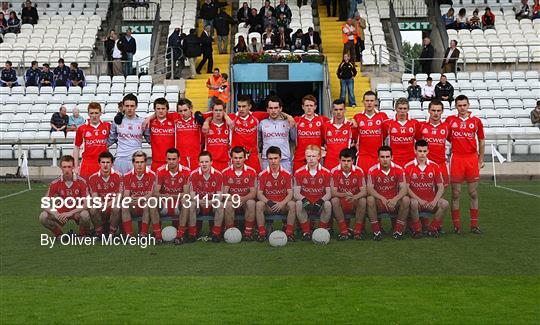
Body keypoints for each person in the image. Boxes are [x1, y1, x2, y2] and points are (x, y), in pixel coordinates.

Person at [446, 95, 485, 234]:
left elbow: (481, 141)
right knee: (456, 194)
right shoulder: (450, 120)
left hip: (471, 159)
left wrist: (480, 159)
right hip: (457, 159)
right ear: (456, 106)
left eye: (464, 105)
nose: (462, 108)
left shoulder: (476, 121)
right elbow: (446, 136)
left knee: (473, 193)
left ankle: (474, 225)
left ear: (468, 105)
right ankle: (456, 226)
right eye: (459, 105)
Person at [404, 140, 449, 238]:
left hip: (430, 201)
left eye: (424, 151)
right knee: (413, 203)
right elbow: (406, 188)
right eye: (420, 151)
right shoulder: (408, 167)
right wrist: (419, 200)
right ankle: (417, 230)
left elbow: (441, 187)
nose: (422, 154)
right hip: (416, 201)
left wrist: (434, 201)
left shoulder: (434, 166)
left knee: (445, 203)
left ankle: (432, 229)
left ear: (428, 151)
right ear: (415, 151)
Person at [38, 155, 90, 238]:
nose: (67, 170)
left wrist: (70, 213)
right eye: (64, 167)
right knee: (43, 216)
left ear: (73, 167)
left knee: (85, 215)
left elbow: (87, 204)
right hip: (62, 211)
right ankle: (59, 235)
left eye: (69, 167)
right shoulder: (55, 183)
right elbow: (44, 203)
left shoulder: (81, 182)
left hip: (77, 211)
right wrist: (55, 214)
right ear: (60, 168)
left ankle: (83, 235)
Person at [366, 146, 410, 240]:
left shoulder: (398, 169)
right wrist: (382, 198)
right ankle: (377, 232)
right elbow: (369, 188)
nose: (385, 160)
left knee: (406, 200)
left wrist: (395, 199)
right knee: (370, 199)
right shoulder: (372, 170)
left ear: (392, 157)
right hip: (379, 202)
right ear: (378, 158)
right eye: (382, 157)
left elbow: (404, 188)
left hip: (394, 202)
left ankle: (398, 231)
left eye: (387, 157)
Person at [256, 146, 296, 242]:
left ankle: (289, 233)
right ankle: (262, 234)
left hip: (282, 205)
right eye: (270, 159)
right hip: (269, 205)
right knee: (259, 204)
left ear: (280, 158)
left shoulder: (287, 174)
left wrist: (281, 203)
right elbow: (259, 194)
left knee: (292, 204)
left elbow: (290, 193)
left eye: (275, 158)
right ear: (267, 159)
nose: (273, 161)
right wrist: (269, 202)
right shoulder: (262, 175)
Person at [294, 145, 332, 241]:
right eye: (308, 156)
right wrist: (304, 200)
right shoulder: (299, 172)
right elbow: (296, 193)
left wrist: (320, 201)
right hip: (306, 205)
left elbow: (328, 193)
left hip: (319, 204)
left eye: (313, 156)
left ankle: (320, 232)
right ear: (305, 157)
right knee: (298, 203)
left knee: (328, 204)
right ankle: (306, 232)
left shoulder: (326, 172)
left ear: (319, 156)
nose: (311, 159)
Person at [155, 148, 192, 245]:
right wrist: (164, 196)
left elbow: (186, 193)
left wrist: (171, 196)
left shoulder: (186, 171)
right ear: (166, 159)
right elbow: (156, 192)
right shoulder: (160, 170)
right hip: (165, 203)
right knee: (152, 201)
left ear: (179, 159)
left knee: (186, 201)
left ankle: (180, 235)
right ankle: (158, 235)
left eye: (174, 159)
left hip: (178, 203)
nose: (171, 162)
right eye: (169, 159)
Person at [121, 151, 161, 241]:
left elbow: (151, 194)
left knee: (150, 203)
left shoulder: (152, 175)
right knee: (124, 204)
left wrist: (140, 198)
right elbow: (126, 194)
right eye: (137, 162)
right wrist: (129, 198)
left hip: (145, 205)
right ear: (133, 163)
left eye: (142, 162)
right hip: (134, 205)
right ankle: (129, 236)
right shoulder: (127, 176)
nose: (139, 165)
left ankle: (143, 234)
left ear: (146, 163)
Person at [107, 94, 151, 174]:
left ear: (136, 106)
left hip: (137, 160)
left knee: (136, 186)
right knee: (120, 186)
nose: (129, 108)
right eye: (127, 106)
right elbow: (110, 140)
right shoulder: (117, 122)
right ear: (123, 106)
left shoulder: (142, 122)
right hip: (120, 159)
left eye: (132, 106)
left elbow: (151, 140)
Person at [331, 148, 367, 240]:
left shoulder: (359, 171)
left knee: (363, 200)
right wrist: (345, 195)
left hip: (354, 201)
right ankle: (344, 232)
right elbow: (333, 191)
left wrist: (354, 197)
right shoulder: (334, 171)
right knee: (334, 200)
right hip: (342, 201)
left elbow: (364, 191)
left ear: (353, 161)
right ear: (339, 160)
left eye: (348, 161)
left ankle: (357, 232)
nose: (346, 163)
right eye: (343, 161)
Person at [188, 151, 225, 242]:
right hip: (199, 204)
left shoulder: (218, 174)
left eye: (206, 161)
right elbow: (192, 194)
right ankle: (192, 234)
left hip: (212, 204)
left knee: (220, 205)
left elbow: (220, 195)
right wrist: (199, 201)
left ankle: (216, 234)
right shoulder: (194, 174)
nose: (204, 164)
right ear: (198, 163)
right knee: (191, 204)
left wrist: (211, 202)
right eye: (202, 162)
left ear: (211, 162)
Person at [222, 146, 257, 239]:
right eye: (235, 158)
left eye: (240, 158)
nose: (238, 160)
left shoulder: (251, 171)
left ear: (245, 158)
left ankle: (248, 233)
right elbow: (224, 193)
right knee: (228, 204)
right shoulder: (225, 172)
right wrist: (233, 199)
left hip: (245, 201)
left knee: (251, 203)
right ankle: (230, 232)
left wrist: (243, 199)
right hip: (232, 201)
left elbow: (253, 193)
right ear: (231, 158)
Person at [87, 151, 123, 237]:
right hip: (100, 205)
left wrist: (107, 204)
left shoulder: (119, 176)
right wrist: (101, 204)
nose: (105, 165)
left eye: (108, 162)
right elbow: (94, 197)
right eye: (103, 162)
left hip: (112, 205)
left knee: (117, 207)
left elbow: (119, 196)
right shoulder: (93, 178)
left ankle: (112, 233)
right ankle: (99, 234)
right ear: (99, 163)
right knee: (92, 209)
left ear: (112, 164)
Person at [415, 100, 450, 187]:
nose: (436, 113)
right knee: (423, 192)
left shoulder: (446, 127)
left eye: (438, 111)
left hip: (441, 164)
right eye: (433, 110)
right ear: (429, 110)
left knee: (441, 193)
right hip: (425, 164)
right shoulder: (421, 126)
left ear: (442, 111)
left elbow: (454, 141)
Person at [353, 91, 389, 174]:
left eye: (371, 101)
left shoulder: (383, 116)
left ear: (375, 102)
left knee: (379, 183)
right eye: (367, 101)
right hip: (362, 157)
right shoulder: (357, 117)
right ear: (363, 102)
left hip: (378, 156)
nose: (369, 103)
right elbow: (355, 137)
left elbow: (385, 134)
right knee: (362, 183)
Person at [292, 95, 329, 172]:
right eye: (307, 105)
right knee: (298, 181)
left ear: (315, 107)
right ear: (303, 107)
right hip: (300, 157)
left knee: (315, 181)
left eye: (311, 105)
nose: (309, 108)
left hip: (315, 158)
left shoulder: (322, 120)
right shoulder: (297, 120)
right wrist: (288, 116)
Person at [73, 102, 110, 177]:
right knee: (86, 188)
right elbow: (76, 147)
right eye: (92, 113)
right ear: (88, 114)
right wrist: (75, 167)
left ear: (100, 113)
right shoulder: (82, 128)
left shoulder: (107, 126)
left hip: (103, 164)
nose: (94, 115)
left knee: (103, 188)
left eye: (96, 113)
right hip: (87, 164)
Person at [259, 96, 295, 173]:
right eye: (271, 108)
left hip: (284, 160)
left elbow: (294, 139)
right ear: (267, 109)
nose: (273, 111)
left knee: (286, 184)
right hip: (267, 160)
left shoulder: (288, 122)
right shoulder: (262, 123)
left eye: (276, 108)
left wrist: (293, 125)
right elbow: (259, 143)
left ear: (280, 109)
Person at [383, 98, 419, 167]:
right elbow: (382, 140)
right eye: (400, 108)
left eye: (405, 108)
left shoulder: (415, 123)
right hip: (394, 160)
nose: (402, 111)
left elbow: (419, 142)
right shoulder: (387, 124)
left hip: (410, 160)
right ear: (395, 109)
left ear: (408, 109)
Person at [323, 99, 357, 170]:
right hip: (329, 164)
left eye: (341, 109)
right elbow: (322, 143)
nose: (338, 112)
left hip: (345, 164)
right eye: (336, 109)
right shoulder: (325, 126)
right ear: (332, 110)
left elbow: (355, 143)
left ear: (345, 110)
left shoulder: (351, 126)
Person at [148, 98, 175, 171]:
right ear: (155, 110)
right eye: (158, 108)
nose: (160, 111)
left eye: (163, 108)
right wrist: (148, 118)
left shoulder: (174, 121)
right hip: (156, 161)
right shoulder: (150, 122)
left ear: (167, 109)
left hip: (171, 161)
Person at [204, 100, 231, 171]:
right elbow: (198, 114)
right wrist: (206, 121)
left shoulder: (228, 124)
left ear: (224, 111)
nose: (218, 113)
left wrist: (226, 116)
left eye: (220, 110)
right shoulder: (206, 125)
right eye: (216, 110)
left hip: (225, 162)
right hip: (211, 162)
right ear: (212, 111)